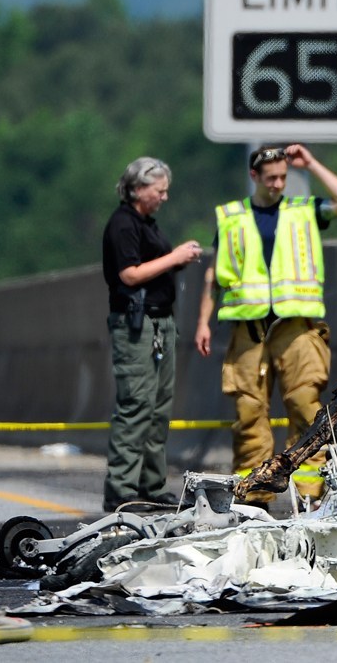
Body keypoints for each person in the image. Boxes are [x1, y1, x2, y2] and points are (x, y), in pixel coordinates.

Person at [194, 144, 337, 506]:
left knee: (305, 407)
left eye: (283, 177)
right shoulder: (231, 217)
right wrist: (203, 322)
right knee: (249, 413)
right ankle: (254, 497)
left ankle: (310, 494)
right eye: (271, 178)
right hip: (249, 328)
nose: (278, 184)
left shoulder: (303, 211)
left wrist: (312, 163)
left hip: (295, 325)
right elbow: (213, 276)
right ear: (254, 177)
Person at [101, 157, 202, 512]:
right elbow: (128, 275)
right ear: (139, 189)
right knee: (135, 406)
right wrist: (175, 257)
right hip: (137, 324)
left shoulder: (147, 224)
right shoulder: (123, 225)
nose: (164, 197)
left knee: (158, 409)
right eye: (160, 191)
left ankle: (152, 484)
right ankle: (121, 487)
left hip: (161, 323)